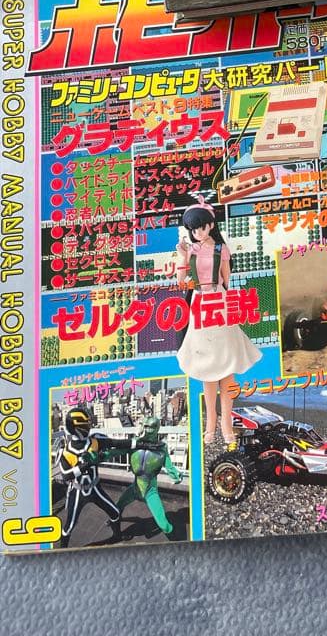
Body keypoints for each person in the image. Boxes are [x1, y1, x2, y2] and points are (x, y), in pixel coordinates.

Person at [176, 197, 261, 444]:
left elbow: (226, 279)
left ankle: (226, 424)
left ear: (211, 225)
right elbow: (181, 282)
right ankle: (211, 423)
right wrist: (181, 258)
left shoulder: (221, 249)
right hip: (199, 303)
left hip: (220, 302)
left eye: (201, 227)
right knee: (208, 365)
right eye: (193, 229)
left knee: (226, 363)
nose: (197, 233)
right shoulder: (189, 250)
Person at [56, 408, 163, 548]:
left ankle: (117, 536)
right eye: (86, 425)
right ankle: (62, 550)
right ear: (76, 428)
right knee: (69, 526)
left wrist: (144, 444)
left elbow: (117, 443)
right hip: (77, 491)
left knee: (115, 513)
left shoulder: (95, 442)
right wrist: (86, 465)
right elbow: (66, 475)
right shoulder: (66, 452)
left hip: (95, 488)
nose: (89, 427)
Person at [117, 416, 183, 536]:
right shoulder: (136, 442)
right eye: (146, 426)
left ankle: (176, 539)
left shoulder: (161, 448)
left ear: (157, 428)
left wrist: (176, 476)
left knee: (164, 525)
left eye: (151, 427)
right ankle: (114, 524)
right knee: (117, 508)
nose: (148, 430)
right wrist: (100, 455)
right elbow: (117, 451)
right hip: (135, 488)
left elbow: (169, 467)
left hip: (150, 491)